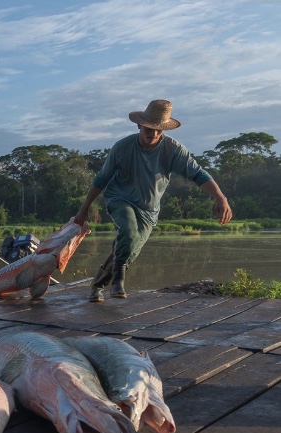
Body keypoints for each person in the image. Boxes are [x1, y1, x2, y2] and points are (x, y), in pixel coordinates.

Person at [74, 99, 232, 302]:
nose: (154, 134)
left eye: (159, 130)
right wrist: (84, 208)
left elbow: (198, 174)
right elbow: (101, 179)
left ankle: (97, 286)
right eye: (149, 129)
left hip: (149, 210)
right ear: (139, 125)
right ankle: (118, 281)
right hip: (120, 198)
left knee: (129, 248)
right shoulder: (122, 148)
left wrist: (221, 198)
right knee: (128, 232)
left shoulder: (173, 149)